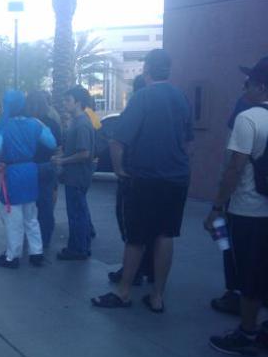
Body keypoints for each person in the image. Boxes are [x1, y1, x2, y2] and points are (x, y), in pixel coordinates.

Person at [92, 49, 193, 312]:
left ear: (147, 69)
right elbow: (187, 141)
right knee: (165, 234)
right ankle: (157, 296)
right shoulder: (181, 98)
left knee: (136, 237)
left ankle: (124, 292)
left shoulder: (142, 98)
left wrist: (119, 171)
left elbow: (117, 142)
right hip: (176, 178)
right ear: (168, 70)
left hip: (145, 178)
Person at [205, 56, 268, 357]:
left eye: (248, 82)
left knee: (249, 274)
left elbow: (234, 169)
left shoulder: (249, 118)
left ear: (260, 86)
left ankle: (246, 332)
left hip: (249, 211)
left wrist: (217, 207)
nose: (245, 87)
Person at [0, 90, 57, 268]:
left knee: (13, 218)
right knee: (31, 216)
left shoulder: (3, 126)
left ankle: (12, 257)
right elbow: (51, 143)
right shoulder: (34, 124)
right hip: (30, 171)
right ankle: (37, 253)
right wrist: (41, 124)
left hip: (13, 173)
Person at [108, 74, 155, 286]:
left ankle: (132, 272)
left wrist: (120, 170)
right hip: (161, 178)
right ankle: (150, 270)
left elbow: (117, 141)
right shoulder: (168, 108)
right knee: (157, 230)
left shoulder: (135, 109)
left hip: (134, 177)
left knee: (130, 228)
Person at [53, 86, 96, 261]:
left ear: (78, 102)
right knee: (80, 211)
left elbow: (84, 153)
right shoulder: (79, 121)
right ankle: (82, 246)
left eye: (68, 100)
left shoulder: (82, 123)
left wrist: (62, 161)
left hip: (77, 176)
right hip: (76, 176)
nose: (64, 103)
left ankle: (78, 249)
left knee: (76, 213)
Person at [25, 91, 62, 249]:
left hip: (27, 167)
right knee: (45, 205)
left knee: (27, 205)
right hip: (47, 166)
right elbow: (57, 147)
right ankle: (44, 238)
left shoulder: (25, 124)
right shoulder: (51, 124)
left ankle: (29, 237)